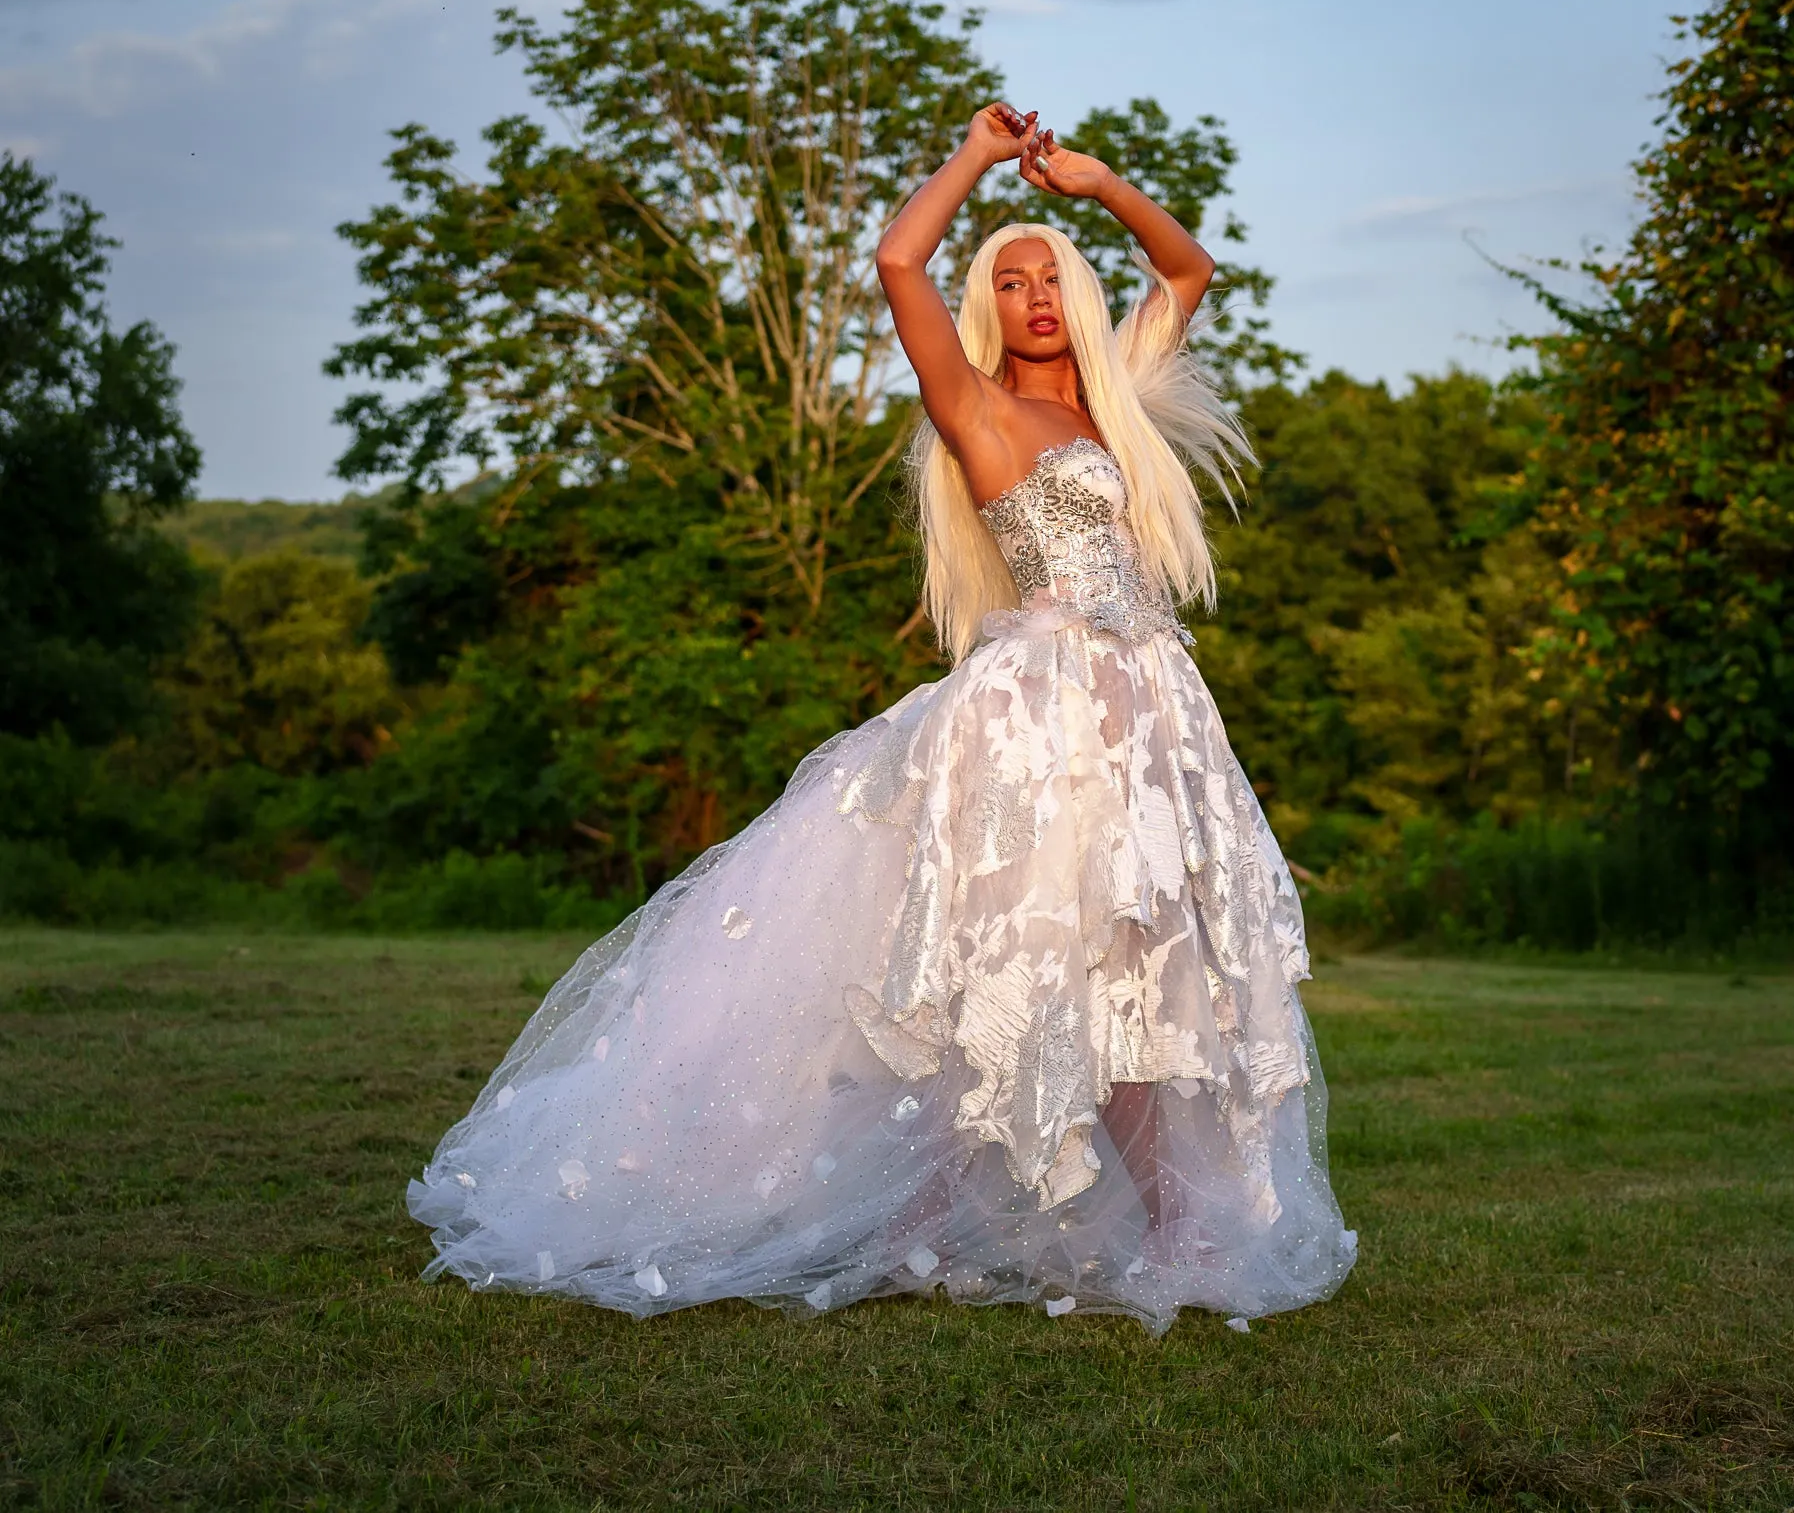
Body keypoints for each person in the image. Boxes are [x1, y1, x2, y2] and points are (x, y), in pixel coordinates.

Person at [407, 102, 1355, 1335]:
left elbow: (1187, 269)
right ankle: (979, 1214)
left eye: (1043, 277)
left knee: (1147, 966)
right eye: (1006, 282)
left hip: (1155, 712)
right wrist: (971, 156)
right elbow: (897, 261)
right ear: (987, 306)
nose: (1028, 296)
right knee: (1038, 967)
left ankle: (1080, 1225)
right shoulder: (977, 411)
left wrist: (1099, 184)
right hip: (1043, 720)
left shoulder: (1114, 400)